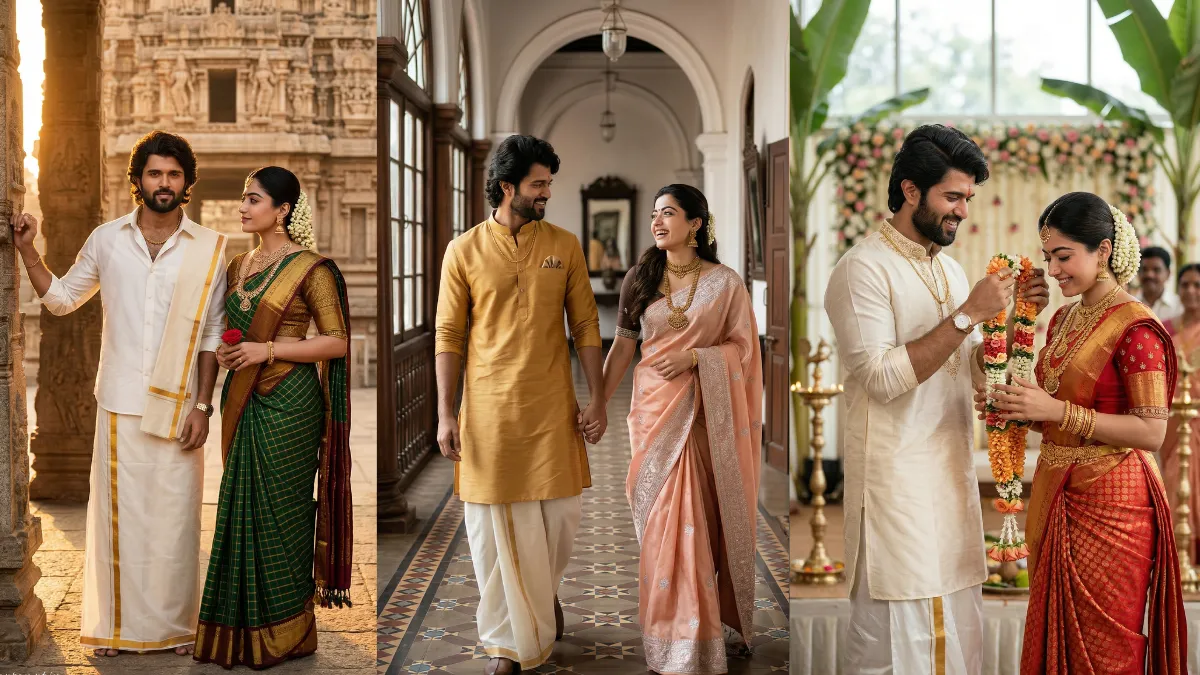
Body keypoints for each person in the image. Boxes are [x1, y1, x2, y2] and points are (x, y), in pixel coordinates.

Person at [824, 124, 1050, 673]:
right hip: (895, 486)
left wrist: (1016, 319)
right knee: (898, 643)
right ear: (909, 190)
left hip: (948, 479)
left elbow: (970, 366)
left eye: (968, 199)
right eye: (952, 197)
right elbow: (880, 377)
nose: (962, 212)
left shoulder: (948, 268)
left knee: (958, 629)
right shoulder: (861, 270)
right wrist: (970, 313)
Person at [10, 130, 226, 657]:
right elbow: (61, 300)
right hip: (119, 402)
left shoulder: (210, 249)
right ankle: (114, 628)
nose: (164, 183)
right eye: (155, 173)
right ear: (138, 181)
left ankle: (177, 629)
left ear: (187, 184)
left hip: (180, 405)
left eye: (174, 174)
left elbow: (213, 334)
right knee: (119, 519)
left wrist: (203, 403)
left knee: (175, 521)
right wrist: (27, 250)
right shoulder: (107, 239)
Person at [983, 192, 1187, 674]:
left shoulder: (1138, 328)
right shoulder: (1064, 318)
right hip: (1057, 494)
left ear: (1102, 251)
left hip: (1114, 503)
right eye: (1049, 256)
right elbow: (1060, 411)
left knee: (1104, 650)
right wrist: (1022, 409)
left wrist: (1053, 409)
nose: (1053, 271)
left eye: (1064, 256)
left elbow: (1152, 431)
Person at [433, 135, 604, 675]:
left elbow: (585, 326)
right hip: (489, 409)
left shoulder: (565, 244)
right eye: (538, 184)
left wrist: (597, 397)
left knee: (560, 519)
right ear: (508, 187)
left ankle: (541, 594)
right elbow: (448, 334)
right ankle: (509, 644)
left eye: (549, 183)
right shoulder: (464, 250)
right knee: (494, 529)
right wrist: (444, 411)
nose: (546, 192)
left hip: (552, 406)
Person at [192, 167, 354, 669]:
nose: (242, 207)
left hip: (290, 403)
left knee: (281, 512)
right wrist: (229, 353)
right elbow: (233, 332)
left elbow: (338, 341)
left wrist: (267, 350)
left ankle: (287, 631)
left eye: (253, 199)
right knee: (240, 507)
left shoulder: (312, 269)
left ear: (282, 210)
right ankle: (238, 629)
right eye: (243, 198)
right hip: (244, 398)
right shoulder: (239, 265)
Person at [599, 184, 762, 675]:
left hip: (704, 415)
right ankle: (665, 634)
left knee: (694, 521)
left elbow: (744, 350)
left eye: (668, 213)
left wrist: (696, 356)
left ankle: (696, 636)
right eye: (654, 214)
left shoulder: (726, 284)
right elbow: (623, 349)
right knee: (661, 524)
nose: (657, 222)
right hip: (652, 412)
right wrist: (597, 405)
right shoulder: (639, 278)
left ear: (696, 224)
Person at [1162, 263, 1200, 561]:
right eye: (1185, 285)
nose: (1190, 291)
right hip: (1171, 420)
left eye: (1197, 285)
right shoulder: (1167, 328)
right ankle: (1177, 556)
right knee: (1173, 478)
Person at [1135, 245, 1181, 322]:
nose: (1149, 275)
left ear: (1168, 273)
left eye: (1156, 270)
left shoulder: (1179, 307)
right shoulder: (1130, 304)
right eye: (1144, 269)